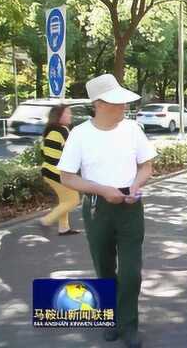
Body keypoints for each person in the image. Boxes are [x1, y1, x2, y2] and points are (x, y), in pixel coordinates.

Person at [58, 74, 156, 348]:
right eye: (117, 102)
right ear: (99, 104)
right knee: (104, 266)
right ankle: (111, 318)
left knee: (131, 271)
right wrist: (102, 190)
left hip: (130, 205)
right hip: (97, 206)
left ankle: (129, 324)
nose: (123, 107)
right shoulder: (80, 134)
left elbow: (146, 165)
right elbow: (67, 177)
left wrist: (135, 185)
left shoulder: (133, 130)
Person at [38, 105, 81, 235]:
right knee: (73, 200)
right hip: (57, 172)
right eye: (67, 113)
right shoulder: (61, 131)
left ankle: (64, 228)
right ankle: (46, 220)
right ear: (59, 116)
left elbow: (43, 152)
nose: (70, 115)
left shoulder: (49, 131)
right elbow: (71, 152)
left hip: (49, 170)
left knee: (65, 200)